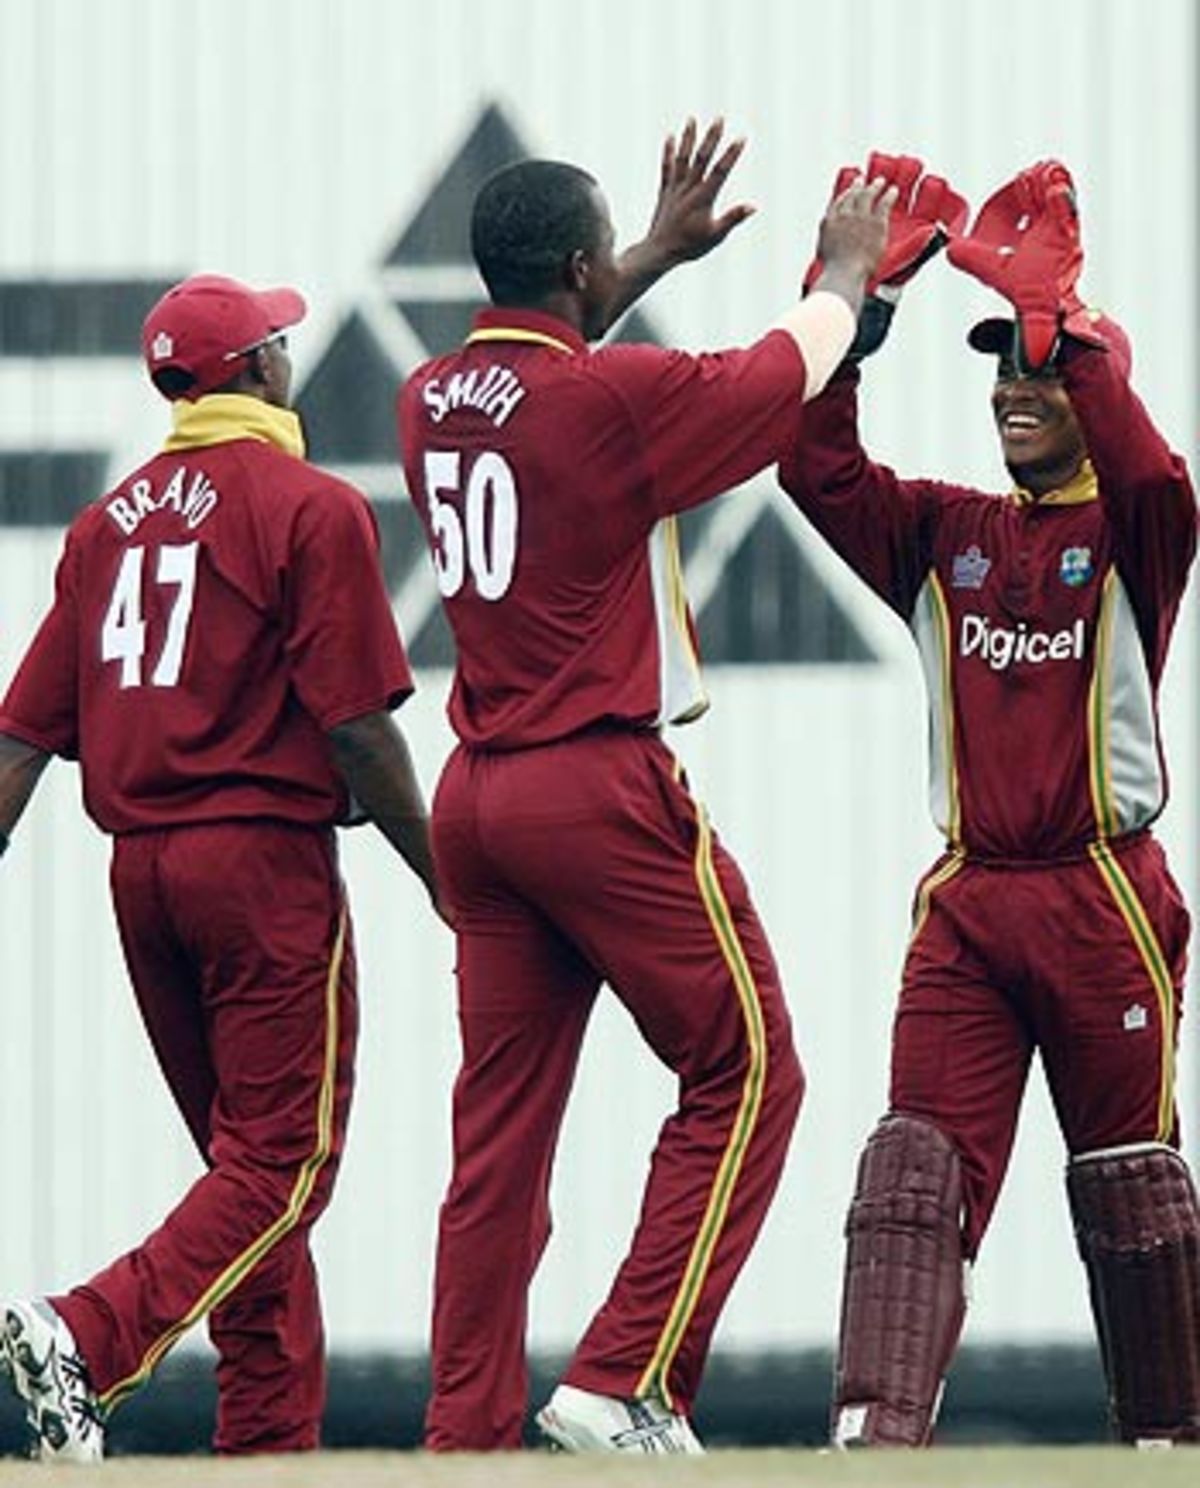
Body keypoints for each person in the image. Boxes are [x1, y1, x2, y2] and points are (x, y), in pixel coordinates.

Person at [396, 117, 893, 1453]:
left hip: (480, 799)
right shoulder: (607, 406)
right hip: (593, 787)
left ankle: (464, 1436)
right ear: (576, 263)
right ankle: (628, 1377)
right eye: (607, 249)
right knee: (749, 1069)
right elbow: (779, 373)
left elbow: (547, 384)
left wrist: (653, 258)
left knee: (497, 1146)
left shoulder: (427, 398)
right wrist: (845, 274)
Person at [779, 154, 1200, 1447]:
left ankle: (1169, 1446)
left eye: (1033, 376)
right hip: (969, 905)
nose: (1012, 395)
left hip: (1102, 895)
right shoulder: (942, 533)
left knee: (1132, 1194)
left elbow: (1154, 475)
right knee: (912, 1171)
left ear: (1086, 386)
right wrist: (849, 312)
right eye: (1001, 376)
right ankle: (875, 1436)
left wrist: (1063, 333)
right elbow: (812, 466)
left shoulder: (1140, 532)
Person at [0, 273, 440, 1461]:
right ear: (254, 372)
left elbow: (22, 738)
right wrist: (453, 882)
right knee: (282, 1168)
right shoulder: (309, 506)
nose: (289, 358)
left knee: (240, 1183)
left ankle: (265, 1452)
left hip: (140, 879)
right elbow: (359, 727)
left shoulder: (106, 527)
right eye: (279, 344)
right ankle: (86, 1337)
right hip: (259, 871)